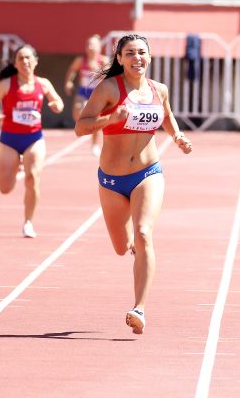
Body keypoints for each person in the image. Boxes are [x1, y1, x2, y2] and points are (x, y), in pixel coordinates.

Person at [75, 33, 193, 335]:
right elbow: (81, 126)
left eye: (142, 52)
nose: (136, 58)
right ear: (119, 58)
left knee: (143, 234)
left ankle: (139, 308)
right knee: (122, 246)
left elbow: (167, 116)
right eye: (130, 53)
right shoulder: (109, 89)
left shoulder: (159, 89)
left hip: (147, 173)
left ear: (150, 57)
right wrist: (110, 118)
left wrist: (177, 136)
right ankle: (133, 249)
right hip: (112, 180)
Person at [0, 44, 64, 238]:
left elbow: (59, 103)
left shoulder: (43, 84)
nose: (25, 62)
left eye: (28, 58)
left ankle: (28, 222)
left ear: (36, 61)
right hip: (9, 139)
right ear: (15, 63)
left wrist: (56, 105)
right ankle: (15, 165)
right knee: (4, 188)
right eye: (20, 58)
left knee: (32, 179)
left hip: (33, 138)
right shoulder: (6, 85)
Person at [64, 34, 109, 157]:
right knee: (78, 110)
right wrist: (68, 82)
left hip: (97, 93)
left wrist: (99, 72)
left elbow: (111, 77)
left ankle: (95, 144)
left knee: (96, 119)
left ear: (99, 48)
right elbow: (72, 70)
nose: (90, 47)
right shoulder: (80, 60)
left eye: (93, 45)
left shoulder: (103, 61)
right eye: (88, 45)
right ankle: (86, 125)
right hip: (83, 91)